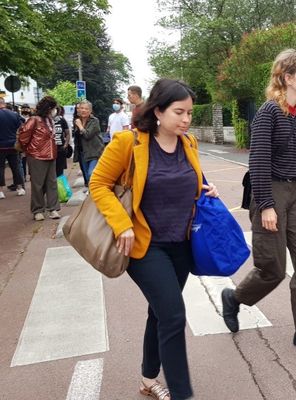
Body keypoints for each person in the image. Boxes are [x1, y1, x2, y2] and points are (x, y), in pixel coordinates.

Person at [89, 78, 218, 400]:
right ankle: (182, 394)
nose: (186, 120)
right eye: (179, 112)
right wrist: (122, 225)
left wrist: (206, 187)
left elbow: (192, 178)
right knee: (174, 315)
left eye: (189, 113)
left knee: (159, 312)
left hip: (182, 243)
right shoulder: (127, 143)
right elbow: (98, 184)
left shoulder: (188, 143)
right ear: (158, 110)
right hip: (145, 245)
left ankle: (148, 379)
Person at [220, 49, 296, 356]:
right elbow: (258, 162)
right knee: (272, 269)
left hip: (295, 194)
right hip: (268, 192)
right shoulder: (269, 113)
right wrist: (267, 205)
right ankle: (234, 298)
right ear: (287, 78)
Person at [17, 96, 61, 221]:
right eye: (53, 108)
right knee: (38, 184)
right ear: (48, 108)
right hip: (37, 156)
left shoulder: (49, 120)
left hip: (51, 155)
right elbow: (23, 137)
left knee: (52, 183)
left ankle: (53, 209)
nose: (54, 111)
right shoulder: (34, 120)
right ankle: (38, 210)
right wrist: (30, 150)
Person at [0, 97, 26, 198]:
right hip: (13, 145)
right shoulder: (14, 114)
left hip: (0, 147)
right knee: (15, 167)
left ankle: (1, 191)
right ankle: (20, 188)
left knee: (0, 168)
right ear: (4, 104)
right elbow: (21, 127)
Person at [73, 100, 102, 183]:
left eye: (86, 109)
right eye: (81, 108)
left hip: (94, 152)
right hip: (83, 153)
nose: (83, 110)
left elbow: (87, 135)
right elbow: (77, 138)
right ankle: (91, 192)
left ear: (90, 111)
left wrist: (80, 126)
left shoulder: (94, 121)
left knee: (91, 174)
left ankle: (96, 192)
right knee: (86, 176)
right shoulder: (78, 120)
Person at [53, 105, 71, 177]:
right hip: (51, 149)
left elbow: (67, 133)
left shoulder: (62, 120)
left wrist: (65, 145)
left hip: (60, 148)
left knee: (60, 171)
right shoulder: (47, 120)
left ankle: (60, 187)